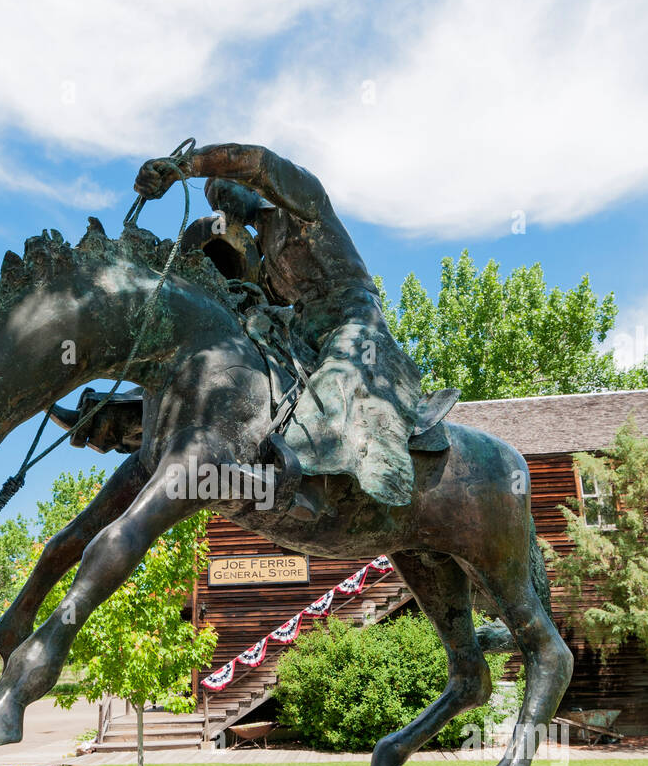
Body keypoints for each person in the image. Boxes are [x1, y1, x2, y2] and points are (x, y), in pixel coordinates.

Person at [134, 143, 458, 509]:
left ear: (249, 187)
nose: (222, 206)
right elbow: (263, 298)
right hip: (301, 324)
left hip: (351, 315)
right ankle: (134, 417)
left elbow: (256, 160)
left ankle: (312, 479)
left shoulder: (303, 203)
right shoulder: (262, 249)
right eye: (215, 202)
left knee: (335, 383)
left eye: (225, 191)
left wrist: (182, 167)